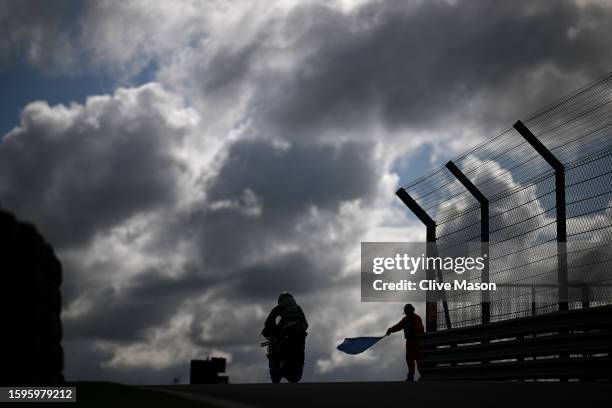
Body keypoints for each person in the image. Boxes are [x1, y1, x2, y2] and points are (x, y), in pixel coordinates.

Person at [262, 292, 308, 383]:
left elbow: (269, 321)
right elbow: (306, 324)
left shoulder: (280, 307)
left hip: (288, 335)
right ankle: (284, 368)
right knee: (296, 377)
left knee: (274, 345)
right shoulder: (298, 308)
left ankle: (276, 365)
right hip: (301, 337)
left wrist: (270, 332)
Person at [386, 303, 424, 382]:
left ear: (411, 310)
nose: (407, 313)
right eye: (406, 312)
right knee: (409, 359)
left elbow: (421, 329)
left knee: (419, 359)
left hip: (417, 341)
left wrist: (416, 334)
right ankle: (411, 377)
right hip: (409, 342)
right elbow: (398, 326)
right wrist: (390, 330)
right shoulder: (405, 319)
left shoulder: (416, 318)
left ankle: (423, 375)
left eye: (407, 311)